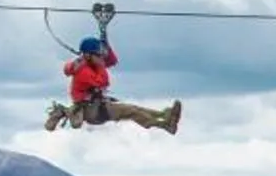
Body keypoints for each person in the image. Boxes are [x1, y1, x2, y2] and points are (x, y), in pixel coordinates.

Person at [45, 32, 182, 134]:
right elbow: (103, 82)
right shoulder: (83, 71)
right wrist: (100, 65)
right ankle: (165, 124)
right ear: (88, 55)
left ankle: (164, 116)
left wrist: (106, 44)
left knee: (134, 109)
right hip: (92, 111)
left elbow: (112, 61)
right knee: (131, 111)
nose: (100, 57)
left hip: (97, 106)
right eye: (97, 54)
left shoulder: (89, 63)